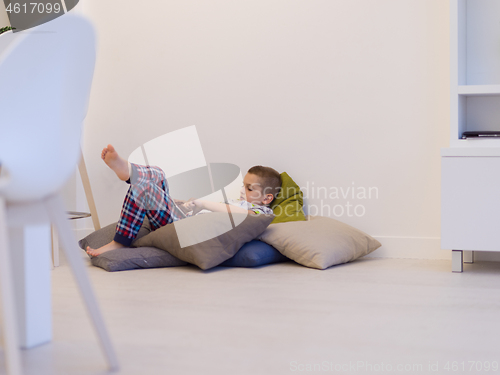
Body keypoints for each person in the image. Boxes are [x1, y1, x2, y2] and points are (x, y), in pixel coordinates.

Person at [86, 145, 281, 256]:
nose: (242, 191)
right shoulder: (238, 203)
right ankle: (127, 171)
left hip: (185, 228)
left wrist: (203, 204)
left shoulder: (261, 214)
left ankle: (120, 242)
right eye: (243, 185)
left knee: (144, 188)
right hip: (183, 217)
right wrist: (182, 204)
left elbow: (244, 215)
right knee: (159, 175)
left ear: (267, 198)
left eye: (249, 188)